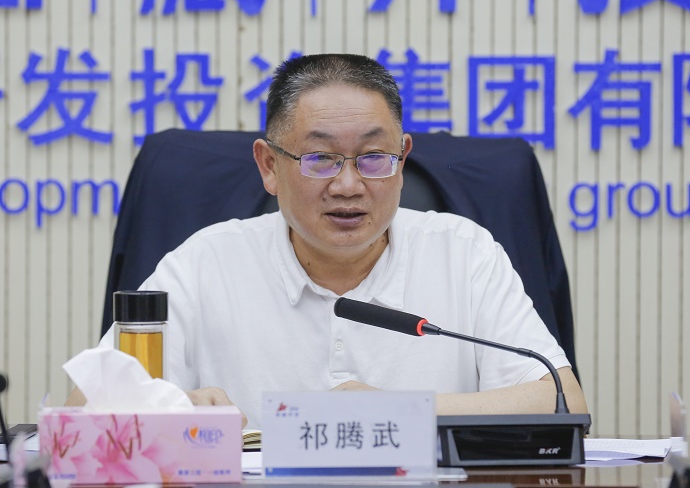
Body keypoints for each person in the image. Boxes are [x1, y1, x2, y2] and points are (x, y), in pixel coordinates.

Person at [67, 54, 587, 428]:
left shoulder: (462, 252)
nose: (349, 185)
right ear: (269, 166)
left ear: (402, 159)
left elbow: (563, 400)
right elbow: (81, 410)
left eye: (373, 158)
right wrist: (173, 409)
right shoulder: (206, 261)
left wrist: (399, 411)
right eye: (320, 159)